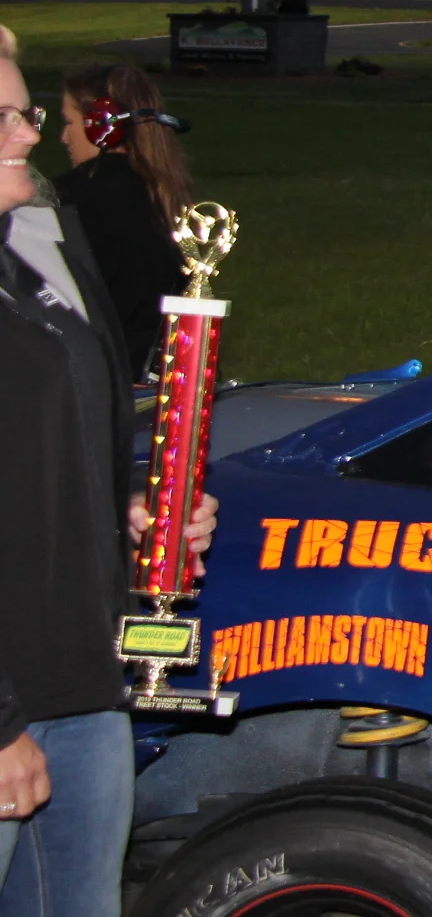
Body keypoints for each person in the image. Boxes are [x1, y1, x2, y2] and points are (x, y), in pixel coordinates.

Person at [0, 49, 218, 916]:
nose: (32, 133)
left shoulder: (33, 261)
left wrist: (136, 517)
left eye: (27, 111)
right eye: (8, 117)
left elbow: (45, 450)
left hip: (82, 682)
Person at [55, 64, 190, 380]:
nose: (63, 137)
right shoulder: (162, 193)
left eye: (68, 122)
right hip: (155, 377)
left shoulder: (72, 200)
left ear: (100, 125)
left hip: (96, 380)